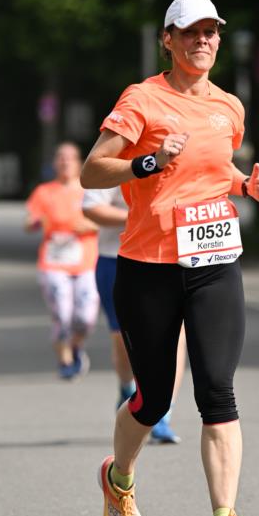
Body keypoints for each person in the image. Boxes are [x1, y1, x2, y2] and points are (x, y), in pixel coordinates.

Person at [81, 0, 259, 516]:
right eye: (191, 32)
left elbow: (214, 171)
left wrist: (246, 186)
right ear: (167, 40)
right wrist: (147, 162)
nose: (203, 41)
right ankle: (118, 478)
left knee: (218, 390)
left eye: (211, 31)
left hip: (214, 262)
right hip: (148, 267)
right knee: (155, 397)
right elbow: (93, 170)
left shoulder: (229, 107)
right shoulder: (142, 99)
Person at [82, 184, 186, 444]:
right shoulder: (119, 162)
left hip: (174, 258)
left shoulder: (185, 161)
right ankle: (129, 389)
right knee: (125, 340)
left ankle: (162, 415)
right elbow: (92, 207)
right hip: (117, 259)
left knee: (176, 335)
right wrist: (141, 216)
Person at [25, 142, 100, 379]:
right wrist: (37, 223)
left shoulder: (91, 190)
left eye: (70, 157)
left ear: (79, 162)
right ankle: (65, 359)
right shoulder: (44, 192)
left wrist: (89, 225)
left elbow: (108, 220)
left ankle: (75, 345)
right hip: (53, 263)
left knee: (86, 317)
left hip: (86, 262)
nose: (65, 161)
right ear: (54, 163)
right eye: (60, 157)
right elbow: (29, 222)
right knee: (62, 313)